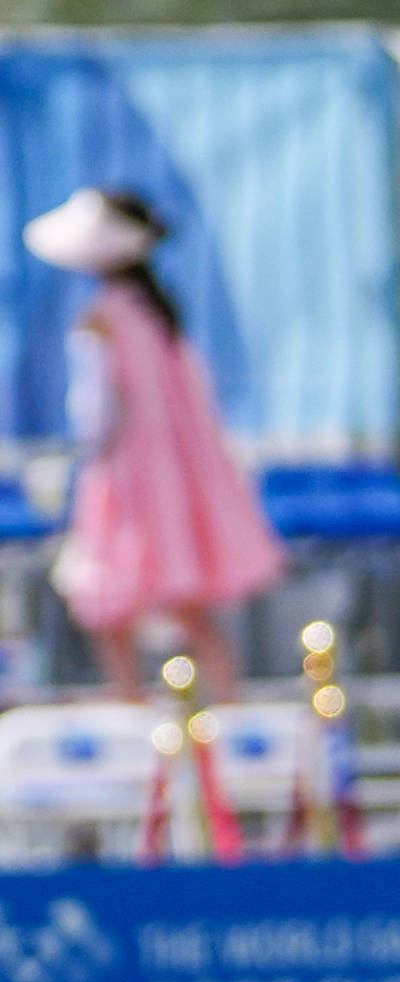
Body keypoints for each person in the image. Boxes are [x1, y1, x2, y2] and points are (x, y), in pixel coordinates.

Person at [23, 187, 281, 702]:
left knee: (110, 607)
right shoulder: (160, 317)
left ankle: (130, 704)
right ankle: (227, 702)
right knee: (187, 607)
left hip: (126, 475)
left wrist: (87, 454)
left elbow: (94, 410)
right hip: (175, 476)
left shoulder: (102, 319)